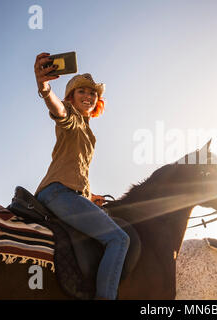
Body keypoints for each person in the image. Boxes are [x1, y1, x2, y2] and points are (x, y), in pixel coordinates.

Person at [33, 52, 130, 300]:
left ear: (97, 100)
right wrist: (45, 89)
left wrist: (88, 195)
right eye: (81, 92)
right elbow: (59, 113)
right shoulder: (72, 117)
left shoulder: (88, 131)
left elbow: (77, 169)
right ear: (71, 98)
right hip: (59, 193)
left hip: (69, 193)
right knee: (119, 239)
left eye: (92, 93)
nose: (88, 96)